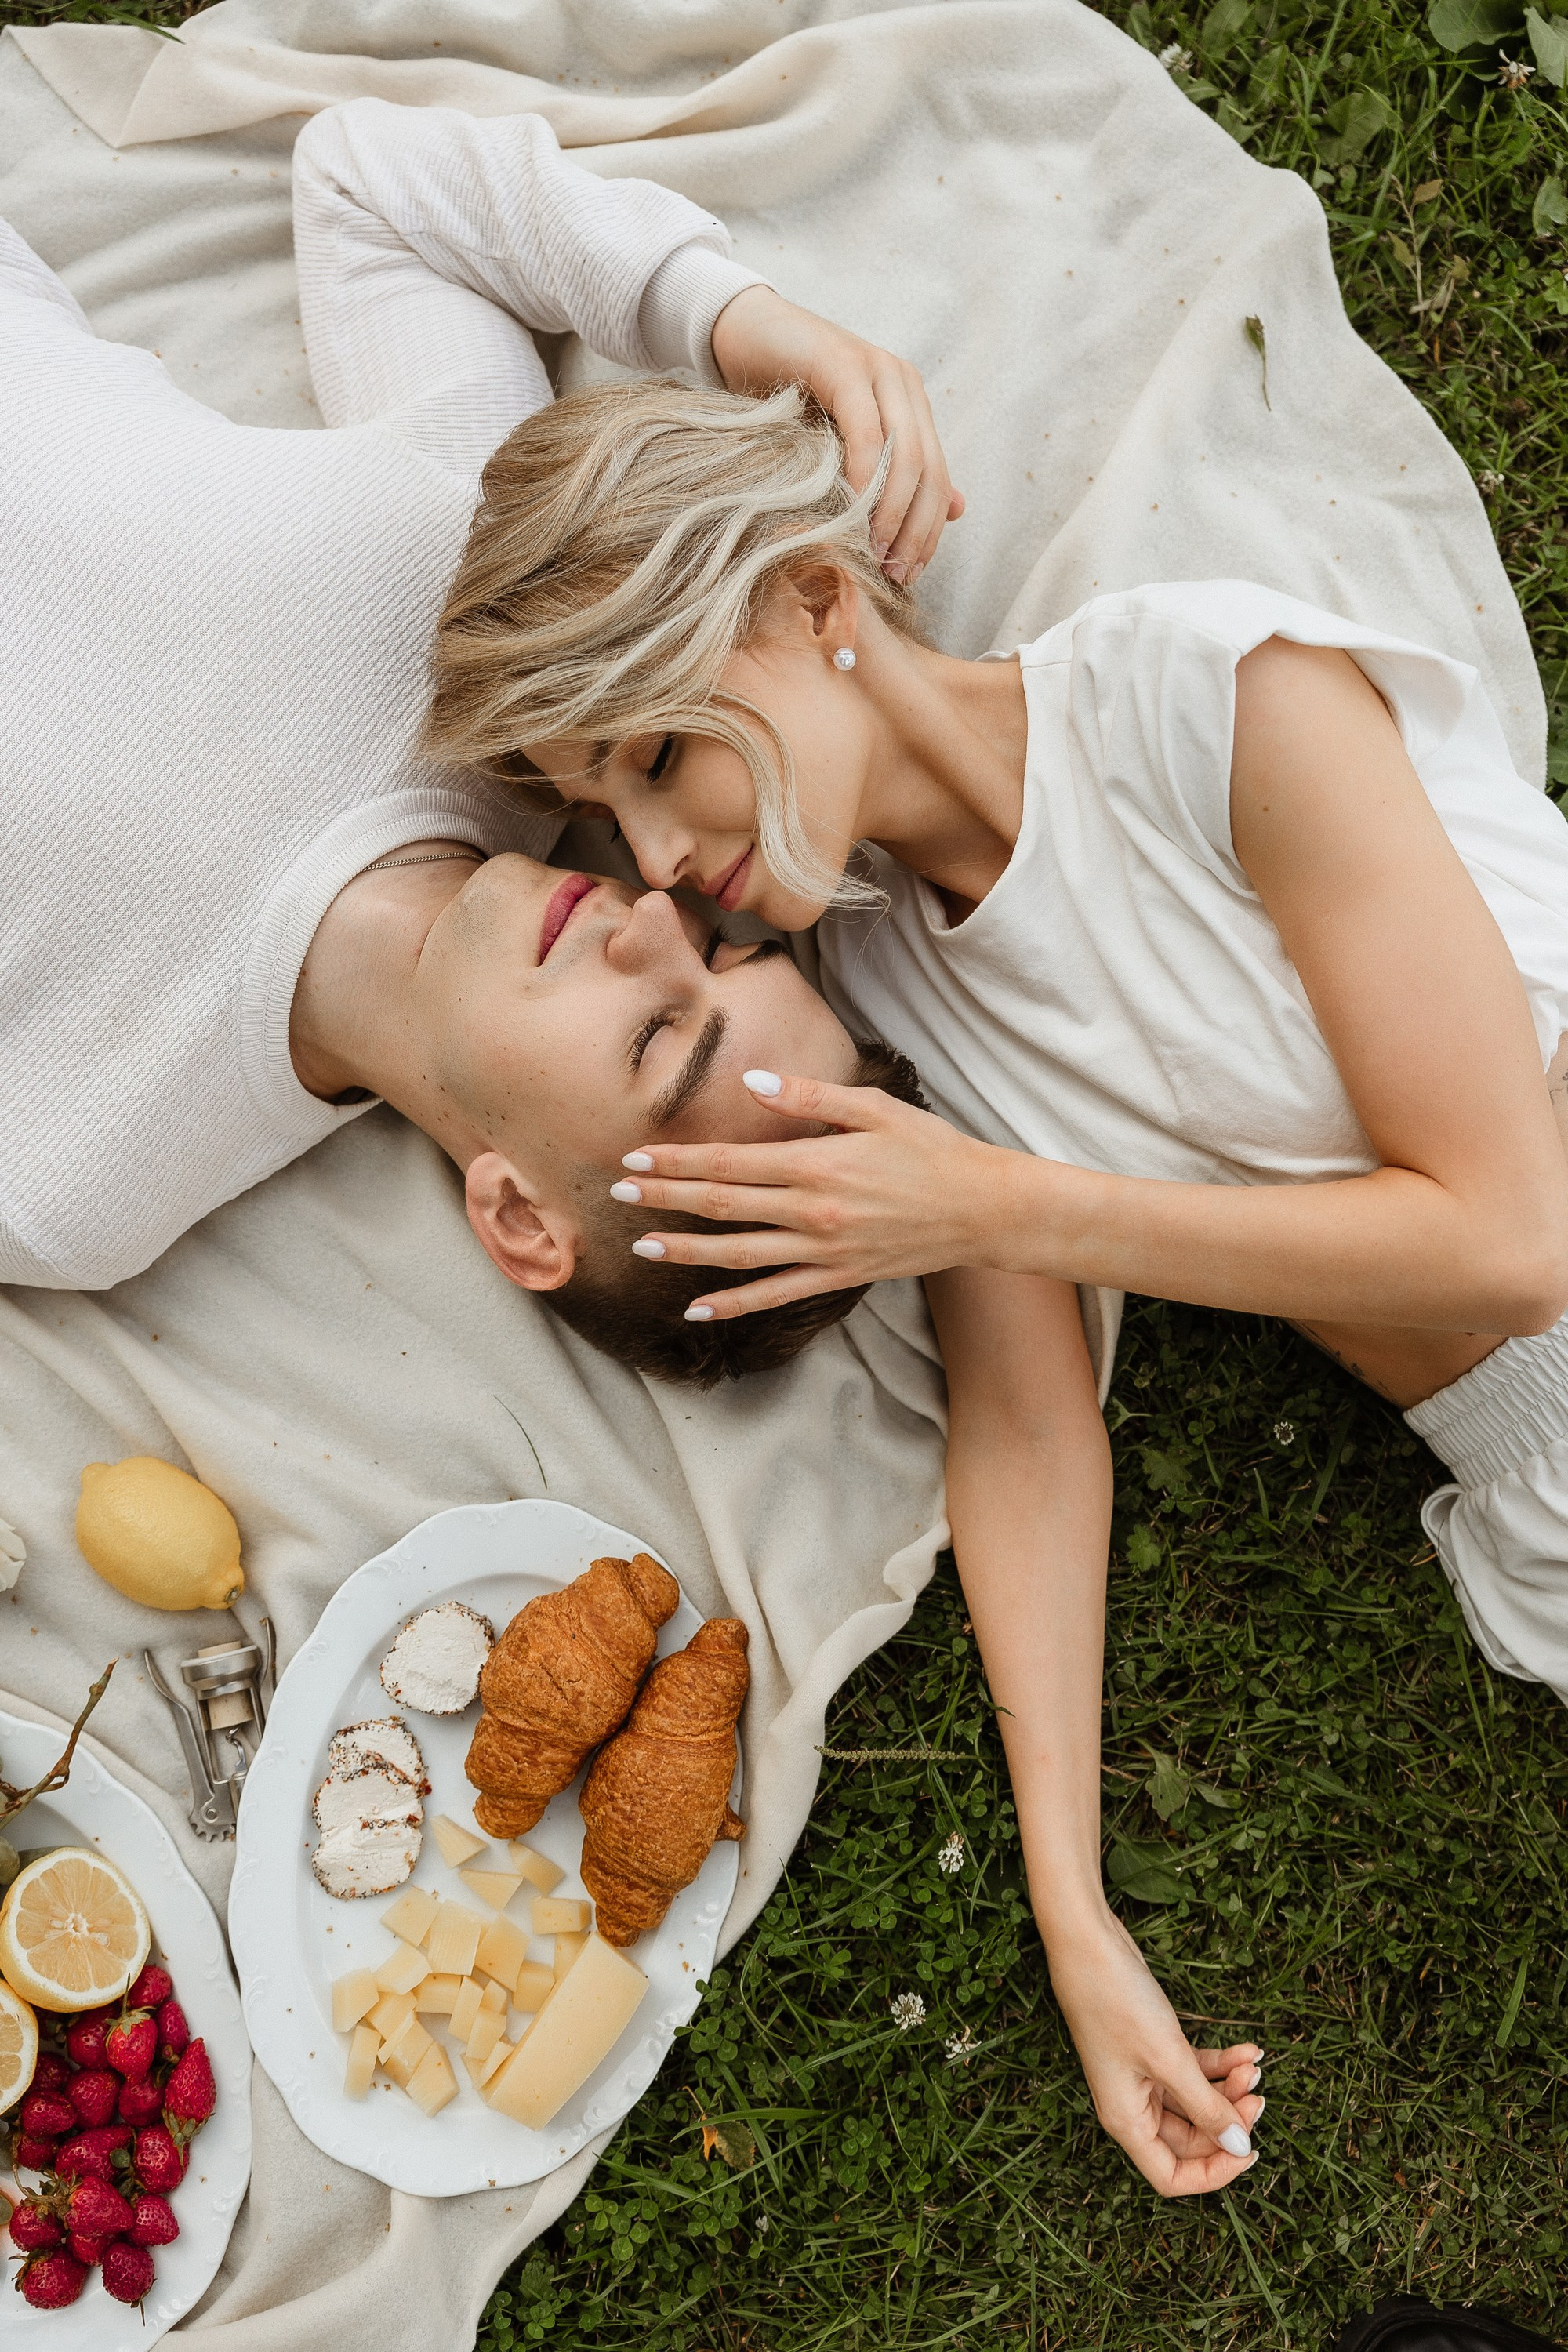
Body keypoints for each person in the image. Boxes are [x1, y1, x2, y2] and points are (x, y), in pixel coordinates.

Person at [421, 372, 1568, 2190]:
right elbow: (1028, 1437)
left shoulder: (1220, 702)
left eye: (656, 758)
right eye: (597, 806)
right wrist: (1072, 1914)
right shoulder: (879, 1006)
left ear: (813, 603)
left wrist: (1006, 1208)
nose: (654, 859)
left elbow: (1513, 1237)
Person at [0, 96, 958, 1295]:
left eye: (658, 1035)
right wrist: (739, 324)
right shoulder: (526, 659)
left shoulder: (78, 1185)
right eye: (721, 944)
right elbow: (371, 185)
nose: (656, 910)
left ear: (520, 1217)